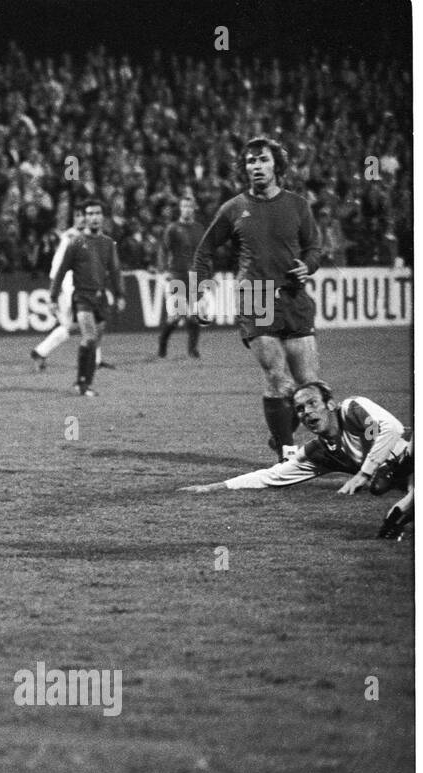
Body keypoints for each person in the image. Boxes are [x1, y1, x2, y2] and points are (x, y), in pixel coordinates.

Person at [191, 136, 322, 461]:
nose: (256, 166)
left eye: (262, 159)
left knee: (309, 387)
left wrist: (309, 266)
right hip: (255, 296)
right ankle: (287, 454)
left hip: (294, 297)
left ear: (277, 164)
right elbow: (204, 252)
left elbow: (314, 248)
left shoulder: (297, 205)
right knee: (278, 378)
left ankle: (280, 436)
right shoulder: (234, 208)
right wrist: (200, 295)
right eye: (250, 161)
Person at [178, 382, 411, 507]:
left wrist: (363, 474)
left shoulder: (353, 410)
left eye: (312, 403)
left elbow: (392, 428)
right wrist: (216, 487)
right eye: (300, 409)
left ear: (330, 404)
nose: (307, 412)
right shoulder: (319, 452)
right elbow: (272, 476)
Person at [47, 198, 123, 396]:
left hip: (100, 299)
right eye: (90, 214)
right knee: (88, 338)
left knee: (95, 341)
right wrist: (53, 297)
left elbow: (115, 270)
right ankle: (81, 383)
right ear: (85, 217)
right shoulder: (76, 242)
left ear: (103, 217)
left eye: (97, 213)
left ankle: (86, 383)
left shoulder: (108, 243)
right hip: (82, 297)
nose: (94, 217)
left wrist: (120, 293)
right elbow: (61, 271)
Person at [30, 208, 84, 371]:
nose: (81, 219)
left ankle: (40, 351)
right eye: (78, 215)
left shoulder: (86, 236)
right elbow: (57, 265)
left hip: (79, 285)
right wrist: (55, 291)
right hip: (71, 287)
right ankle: (94, 361)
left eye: (84, 215)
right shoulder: (69, 237)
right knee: (85, 322)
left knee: (73, 325)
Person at [157, 196, 205, 358]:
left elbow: (203, 254)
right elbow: (163, 249)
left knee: (193, 315)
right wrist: (164, 270)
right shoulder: (172, 228)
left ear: (194, 208)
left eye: (189, 206)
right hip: (177, 275)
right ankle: (162, 347)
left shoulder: (199, 229)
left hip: (195, 277)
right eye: (184, 206)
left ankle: (193, 350)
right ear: (180, 208)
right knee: (177, 315)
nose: (187, 209)